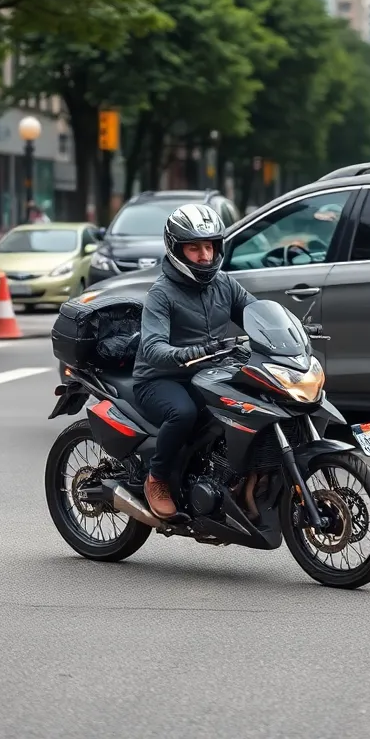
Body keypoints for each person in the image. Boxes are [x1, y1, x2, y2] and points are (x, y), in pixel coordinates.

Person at [132, 204, 256, 519]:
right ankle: (157, 478)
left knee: (253, 404)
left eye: (209, 247)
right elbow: (153, 348)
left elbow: (255, 314)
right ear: (176, 249)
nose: (204, 256)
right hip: (160, 378)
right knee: (183, 413)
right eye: (194, 248)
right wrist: (190, 353)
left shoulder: (225, 284)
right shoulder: (161, 293)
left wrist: (290, 328)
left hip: (209, 373)